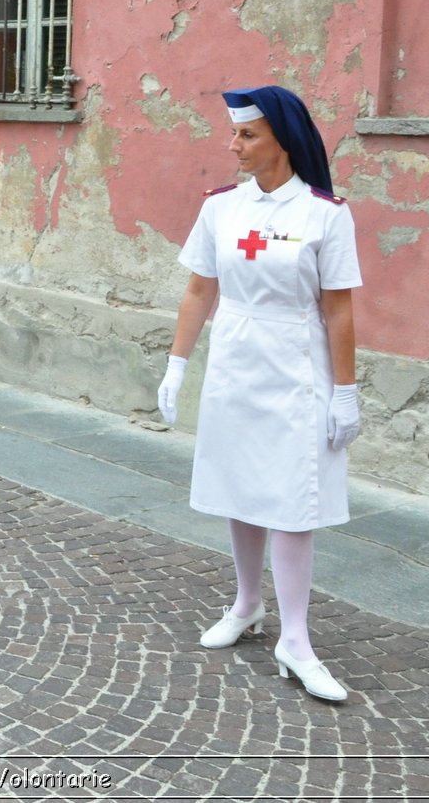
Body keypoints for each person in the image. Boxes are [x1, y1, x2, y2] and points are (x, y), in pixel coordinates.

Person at [157, 85, 363, 704]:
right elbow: (200, 291)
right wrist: (176, 366)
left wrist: (346, 392)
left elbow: (339, 311)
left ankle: (295, 641)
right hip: (235, 362)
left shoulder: (326, 214)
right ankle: (247, 603)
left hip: (298, 370)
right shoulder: (222, 208)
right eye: (234, 133)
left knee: (294, 500)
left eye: (247, 134)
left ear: (282, 137)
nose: (234, 145)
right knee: (240, 488)